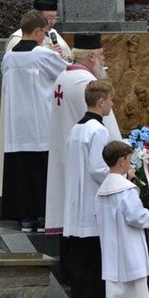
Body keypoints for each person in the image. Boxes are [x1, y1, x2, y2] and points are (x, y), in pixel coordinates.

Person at [45, 33, 122, 235]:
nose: (103, 59)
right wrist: (123, 156)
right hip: (87, 158)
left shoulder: (63, 76)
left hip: (66, 150)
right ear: (91, 56)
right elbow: (109, 126)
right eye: (101, 54)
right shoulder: (87, 82)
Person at [0, 10, 68, 232]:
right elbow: (65, 75)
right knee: (41, 170)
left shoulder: (9, 57)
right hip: (40, 122)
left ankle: (25, 218)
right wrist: (62, 59)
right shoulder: (42, 55)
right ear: (37, 32)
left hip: (17, 125)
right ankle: (44, 215)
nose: (45, 36)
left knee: (21, 171)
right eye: (45, 32)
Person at [64, 80, 115, 298]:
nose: (112, 105)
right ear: (101, 102)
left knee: (80, 268)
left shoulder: (76, 128)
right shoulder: (98, 131)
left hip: (75, 208)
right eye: (111, 100)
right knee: (93, 268)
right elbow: (97, 169)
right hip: (91, 209)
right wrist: (120, 175)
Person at [96, 140, 149, 298]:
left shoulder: (103, 189)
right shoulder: (126, 189)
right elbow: (135, 216)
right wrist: (147, 215)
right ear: (121, 161)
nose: (130, 164)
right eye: (129, 160)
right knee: (136, 290)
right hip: (130, 246)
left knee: (116, 291)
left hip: (111, 248)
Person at [5, 0, 72, 60]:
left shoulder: (53, 34)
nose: (53, 22)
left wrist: (65, 59)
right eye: (49, 18)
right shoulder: (18, 39)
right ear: (37, 15)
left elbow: (69, 58)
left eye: (55, 18)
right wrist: (51, 57)